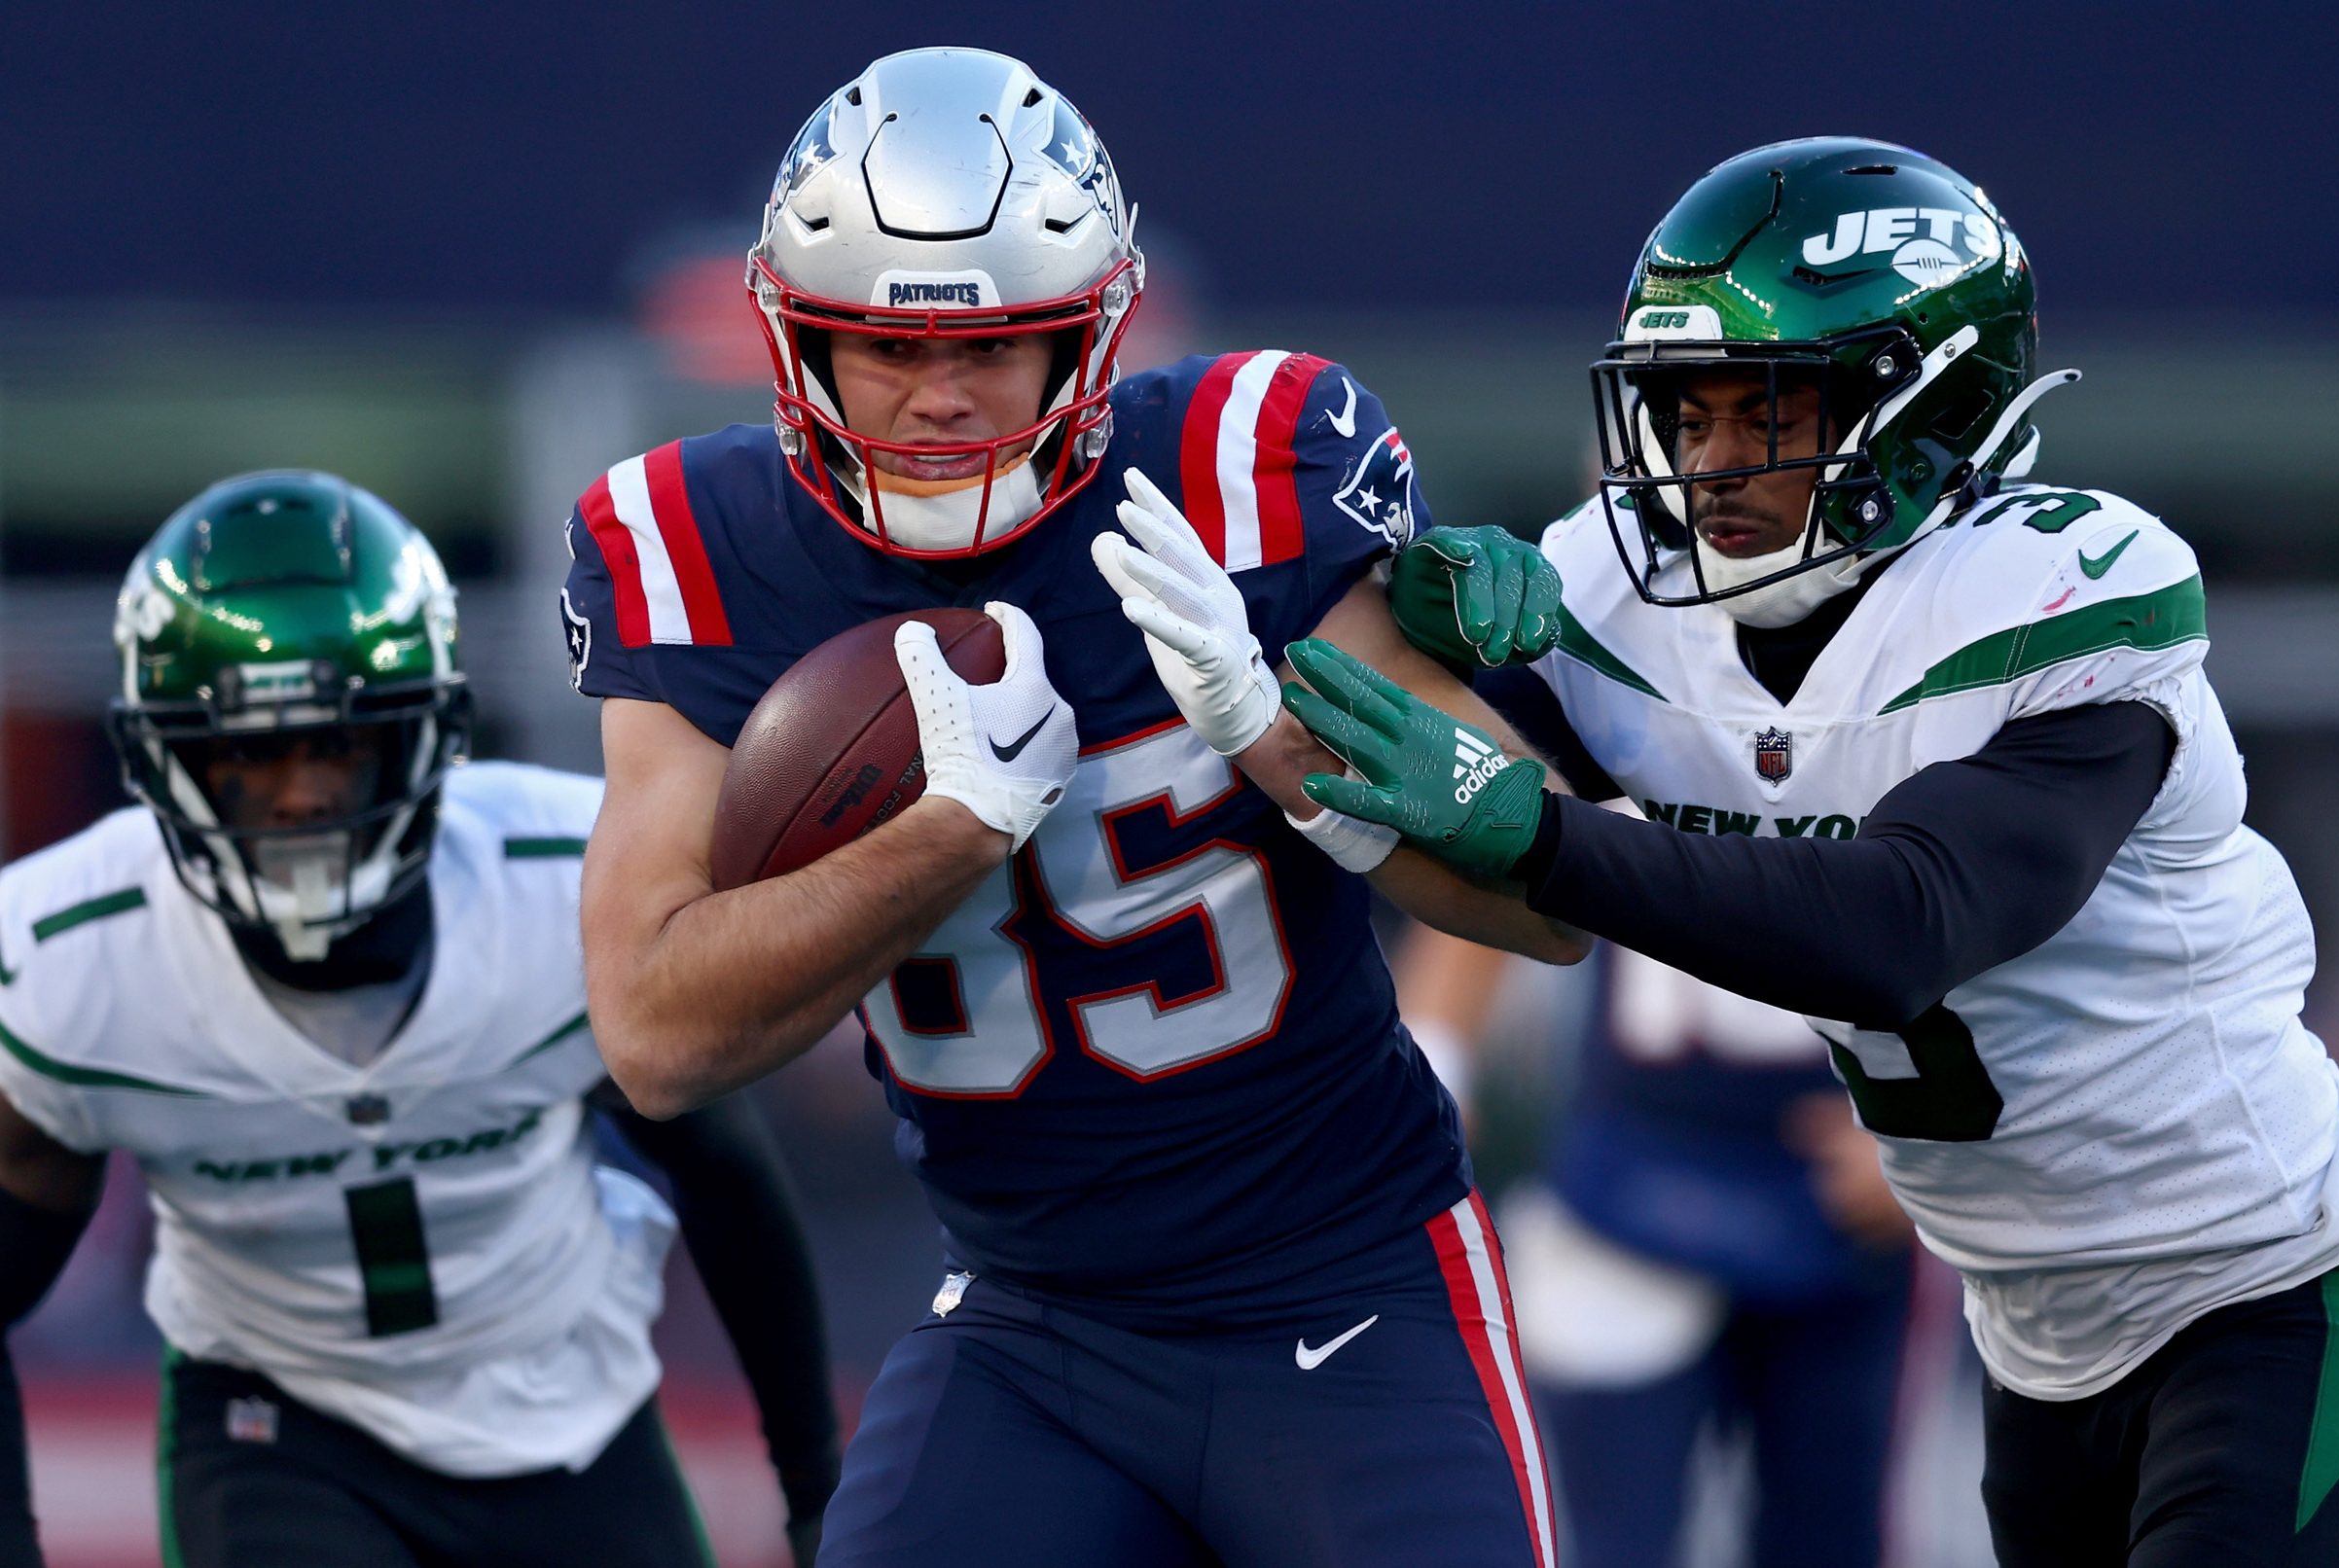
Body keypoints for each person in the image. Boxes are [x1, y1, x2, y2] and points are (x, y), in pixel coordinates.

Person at [564, 45, 1584, 1568]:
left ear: (1094, 332)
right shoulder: (692, 547)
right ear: (791, 341)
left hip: (1352, 1285)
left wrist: (1268, 733)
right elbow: (653, 1034)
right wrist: (945, 832)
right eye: (879, 348)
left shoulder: (1247, 468)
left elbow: (1551, 894)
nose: (940, 398)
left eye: (1001, 345)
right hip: (1028, 1326)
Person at [1278, 137, 2339, 1567]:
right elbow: (1462, 777)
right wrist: (1416, 644)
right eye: (1685, 412)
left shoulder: (2065, 592)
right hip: (2031, 1335)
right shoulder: (1621, 590)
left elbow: (1891, 928)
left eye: (1768, 409)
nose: (1711, 466)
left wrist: (1535, 828)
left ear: (1928, 411)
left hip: (2265, 1282)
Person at [0, 472, 841, 1568]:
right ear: (167, 758)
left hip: (568, 1406)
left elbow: (728, 1182)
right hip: (279, 1423)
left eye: (339, 743)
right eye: (253, 755)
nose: (300, 796)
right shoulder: (71, 959)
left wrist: (819, 1486)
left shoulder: (564, 884)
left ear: (430, 735)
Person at [1393, 922, 1927, 1568]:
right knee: (1612, 1542)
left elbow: (2008, 914)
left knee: (1833, 1535)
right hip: (1631, 1191)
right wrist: (1433, 1069)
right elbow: (1482, 871)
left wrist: (1931, 1135)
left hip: (1847, 1212)